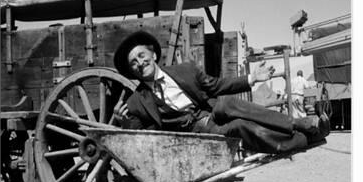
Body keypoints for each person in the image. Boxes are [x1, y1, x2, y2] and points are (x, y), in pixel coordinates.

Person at [112, 31, 329, 154]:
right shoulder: (136, 102)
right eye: (133, 63)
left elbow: (217, 86)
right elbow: (140, 136)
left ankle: (298, 123)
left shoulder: (185, 71)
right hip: (198, 134)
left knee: (227, 103)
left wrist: (252, 78)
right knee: (241, 127)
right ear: (132, 71)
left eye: (141, 56)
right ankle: (304, 138)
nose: (140, 63)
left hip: (211, 111)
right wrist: (124, 122)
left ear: (153, 55)